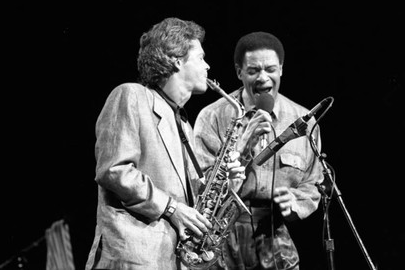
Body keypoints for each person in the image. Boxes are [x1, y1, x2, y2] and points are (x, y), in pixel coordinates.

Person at [85, 17, 246, 269]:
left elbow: (193, 198)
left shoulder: (183, 123)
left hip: (172, 259)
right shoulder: (130, 95)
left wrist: (225, 177)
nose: (208, 65)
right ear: (177, 60)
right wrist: (172, 209)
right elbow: (114, 171)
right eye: (200, 57)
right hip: (134, 257)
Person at [194, 31, 324, 270]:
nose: (263, 78)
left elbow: (314, 183)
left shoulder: (304, 121)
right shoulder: (213, 117)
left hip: (275, 235)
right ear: (239, 72)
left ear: (282, 69)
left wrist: (295, 202)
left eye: (271, 69)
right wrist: (243, 142)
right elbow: (200, 186)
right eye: (253, 71)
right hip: (221, 237)